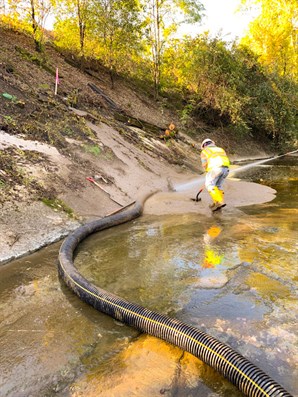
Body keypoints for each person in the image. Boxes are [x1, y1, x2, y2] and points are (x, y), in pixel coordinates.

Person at [200, 138, 230, 211]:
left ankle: (219, 201)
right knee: (218, 186)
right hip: (226, 169)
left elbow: (204, 164)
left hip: (215, 169)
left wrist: (207, 170)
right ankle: (217, 202)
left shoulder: (205, 151)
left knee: (209, 185)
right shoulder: (220, 149)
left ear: (204, 145)